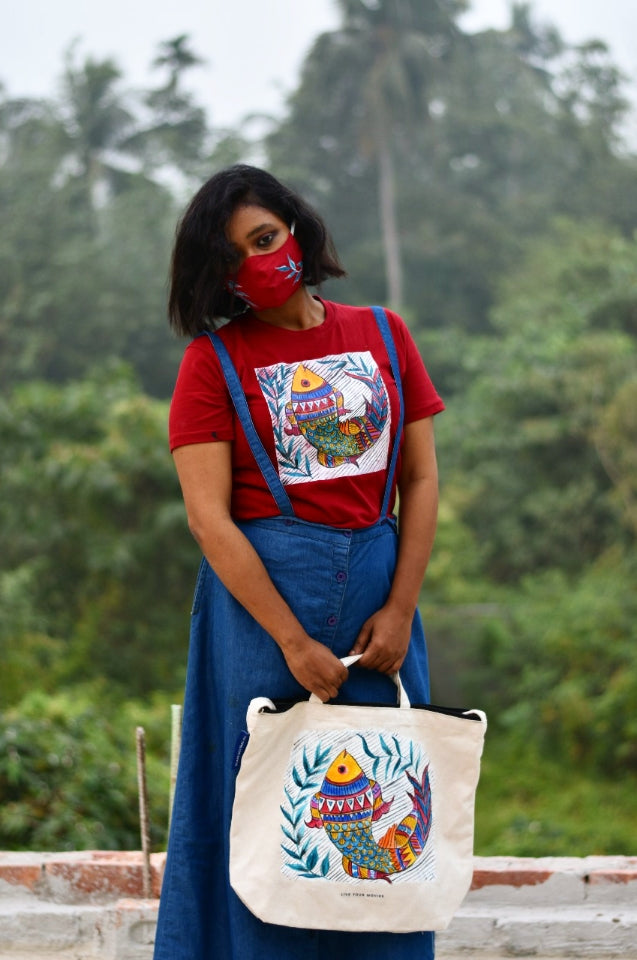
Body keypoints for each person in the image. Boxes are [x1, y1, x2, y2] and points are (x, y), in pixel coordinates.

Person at [153, 164, 445, 960]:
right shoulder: (211, 366)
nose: (261, 259)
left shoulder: (383, 334)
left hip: (380, 609)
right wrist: (289, 640)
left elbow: (418, 479)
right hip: (258, 619)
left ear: (296, 229)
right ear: (221, 278)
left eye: (265, 237)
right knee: (264, 816)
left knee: (383, 817)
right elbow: (208, 520)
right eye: (237, 254)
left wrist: (399, 607)